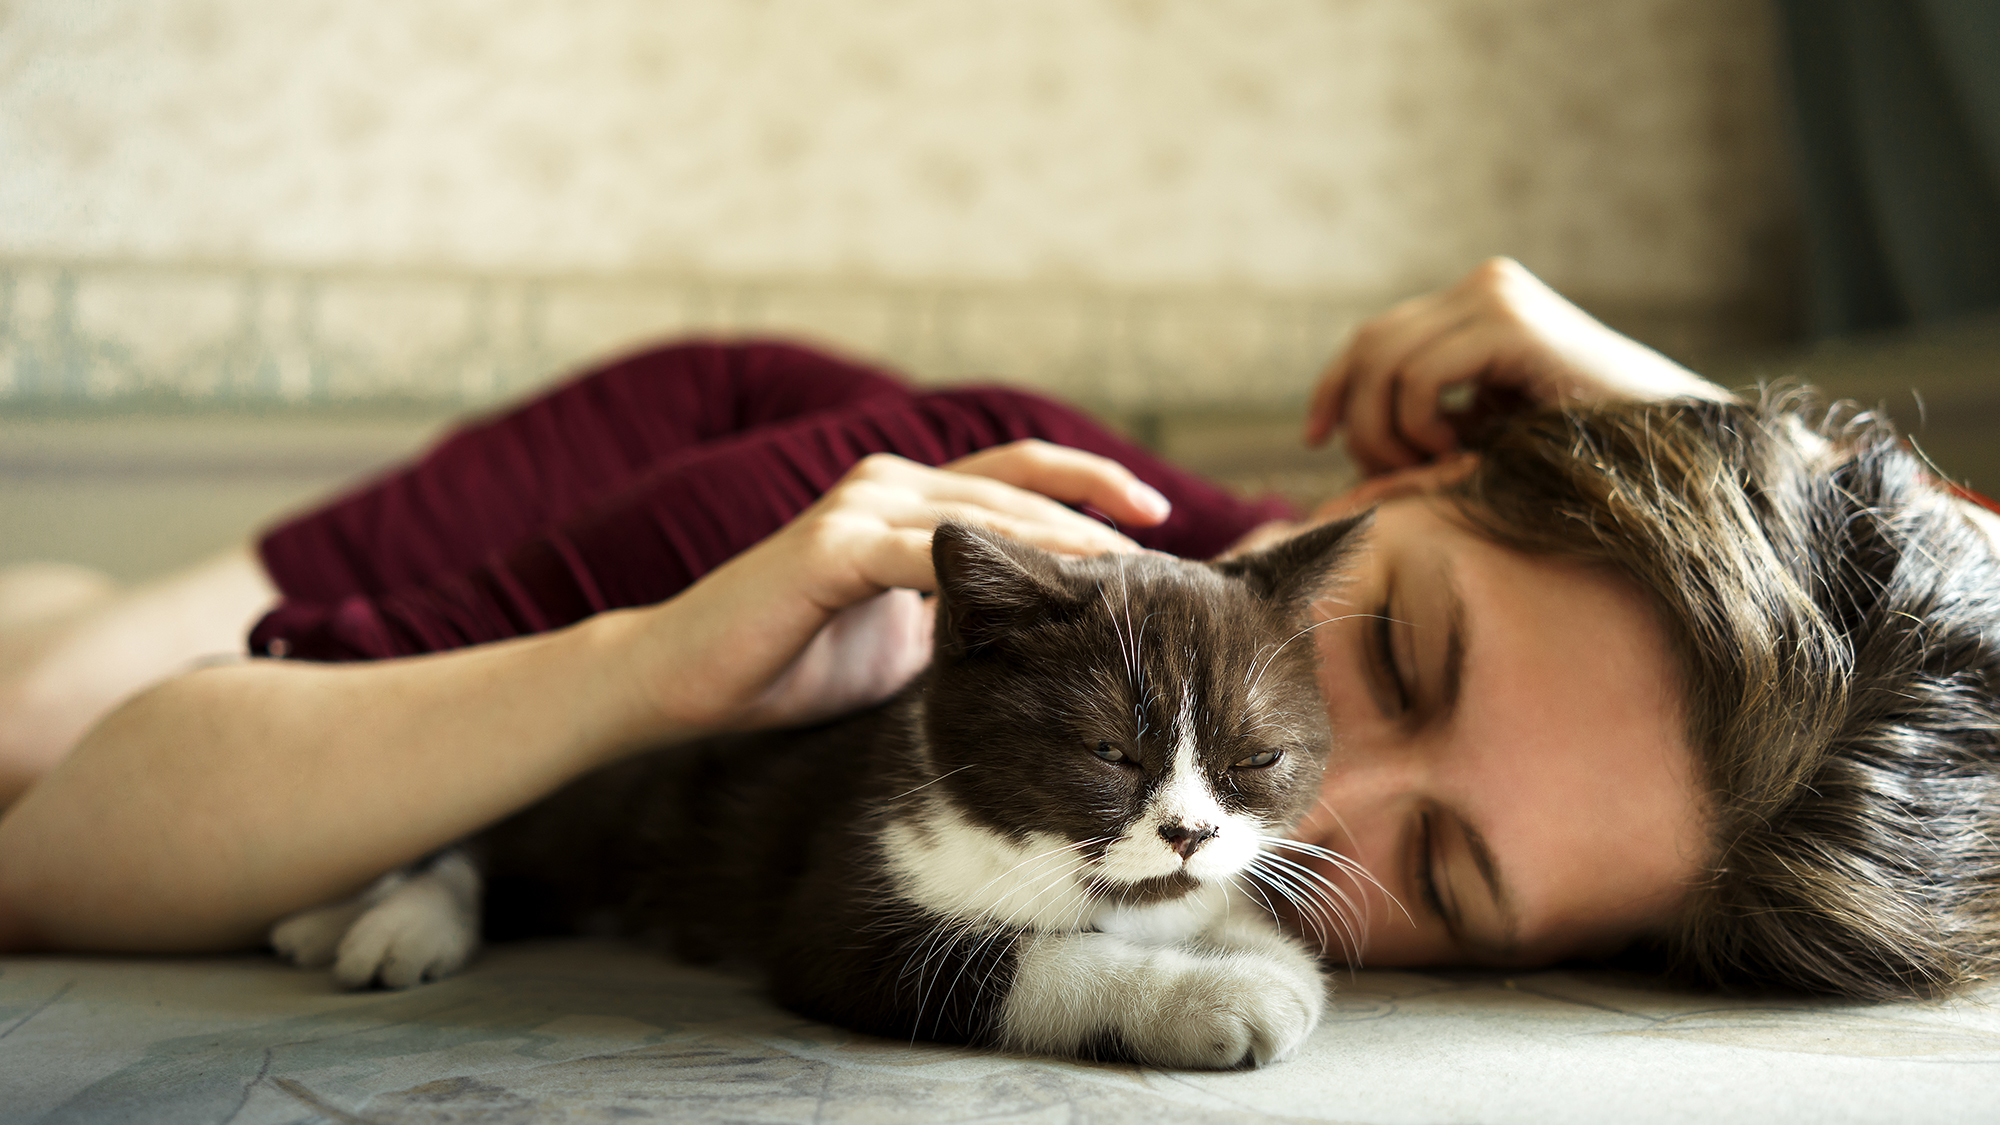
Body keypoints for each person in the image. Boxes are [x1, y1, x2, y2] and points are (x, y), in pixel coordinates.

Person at [0, 259, 1994, 1002]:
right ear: (1431, 473)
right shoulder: (903, 519)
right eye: (1397, 657)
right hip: (686, 457)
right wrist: (638, 662)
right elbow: (67, 849)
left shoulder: (1710, 826)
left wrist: (1648, 380)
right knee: (36, 711)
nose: (1305, 800)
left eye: (1449, 869)